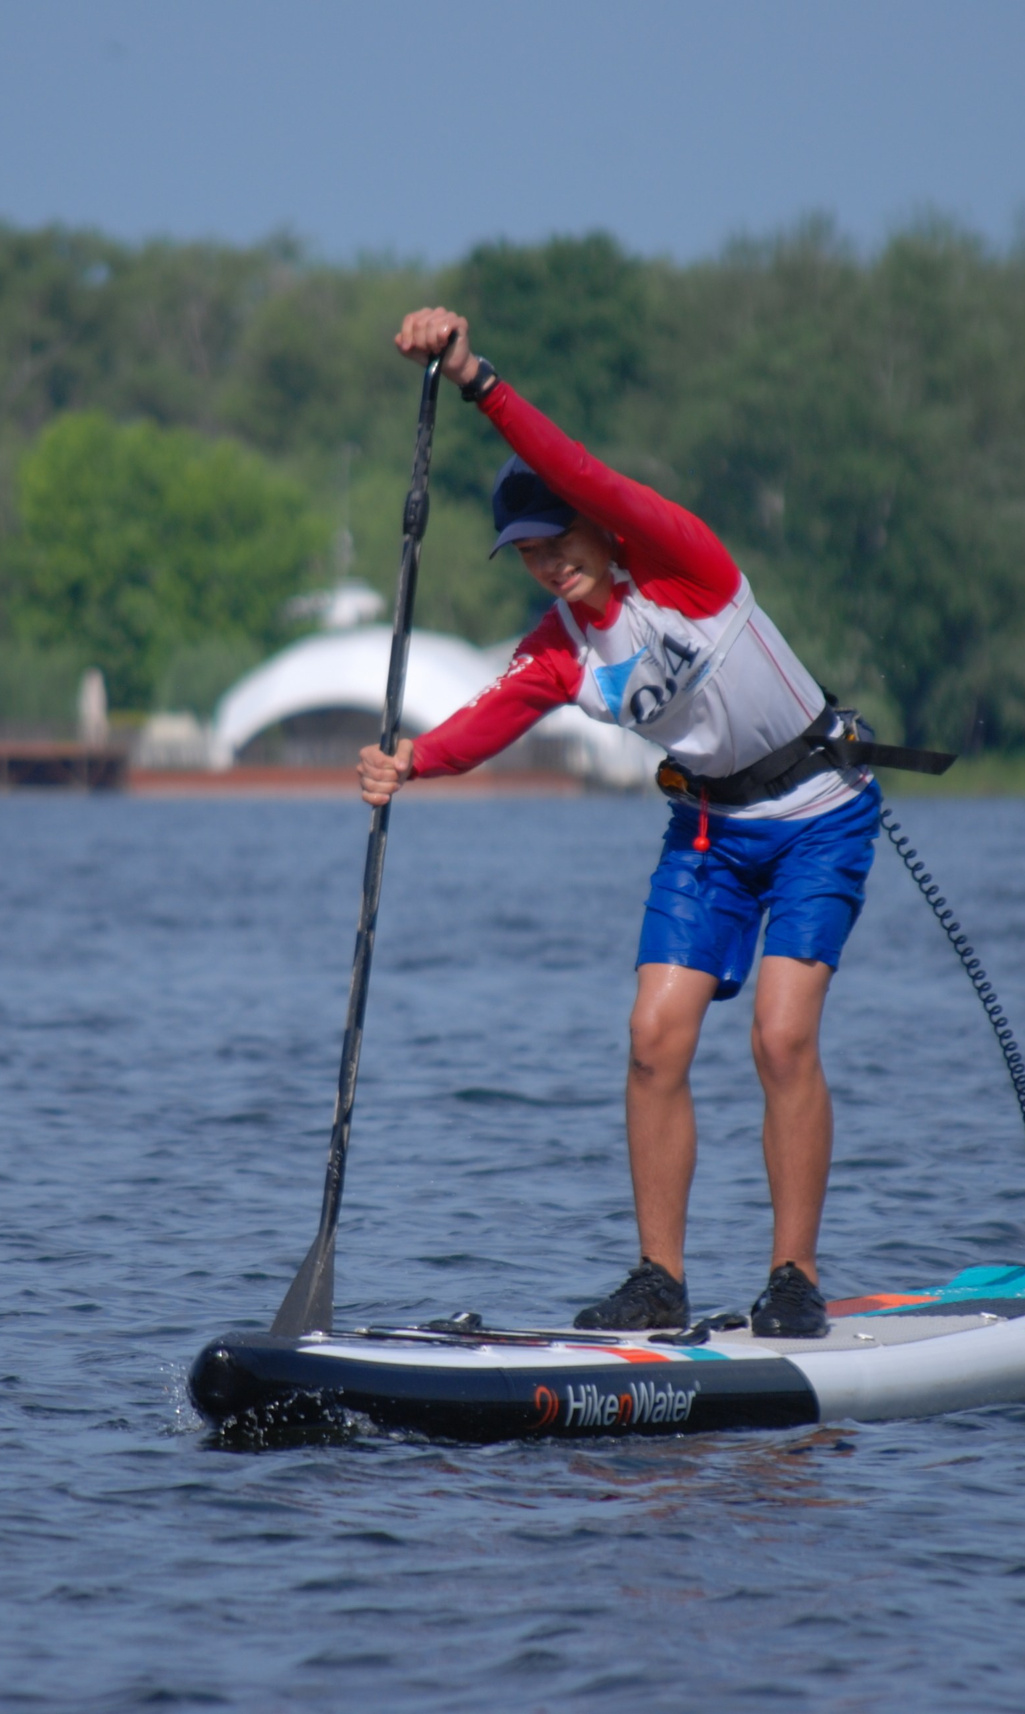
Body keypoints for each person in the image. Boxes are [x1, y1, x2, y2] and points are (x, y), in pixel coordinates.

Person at [359, 307, 889, 1340]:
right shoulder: (557, 648)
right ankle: (659, 1277)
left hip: (820, 811)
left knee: (780, 1039)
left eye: (560, 538)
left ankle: (793, 1276)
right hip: (707, 834)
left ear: (600, 529)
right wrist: (411, 760)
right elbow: (488, 714)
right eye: (526, 550)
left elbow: (576, 464)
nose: (549, 560)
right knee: (653, 1039)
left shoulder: (681, 563)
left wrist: (473, 379)